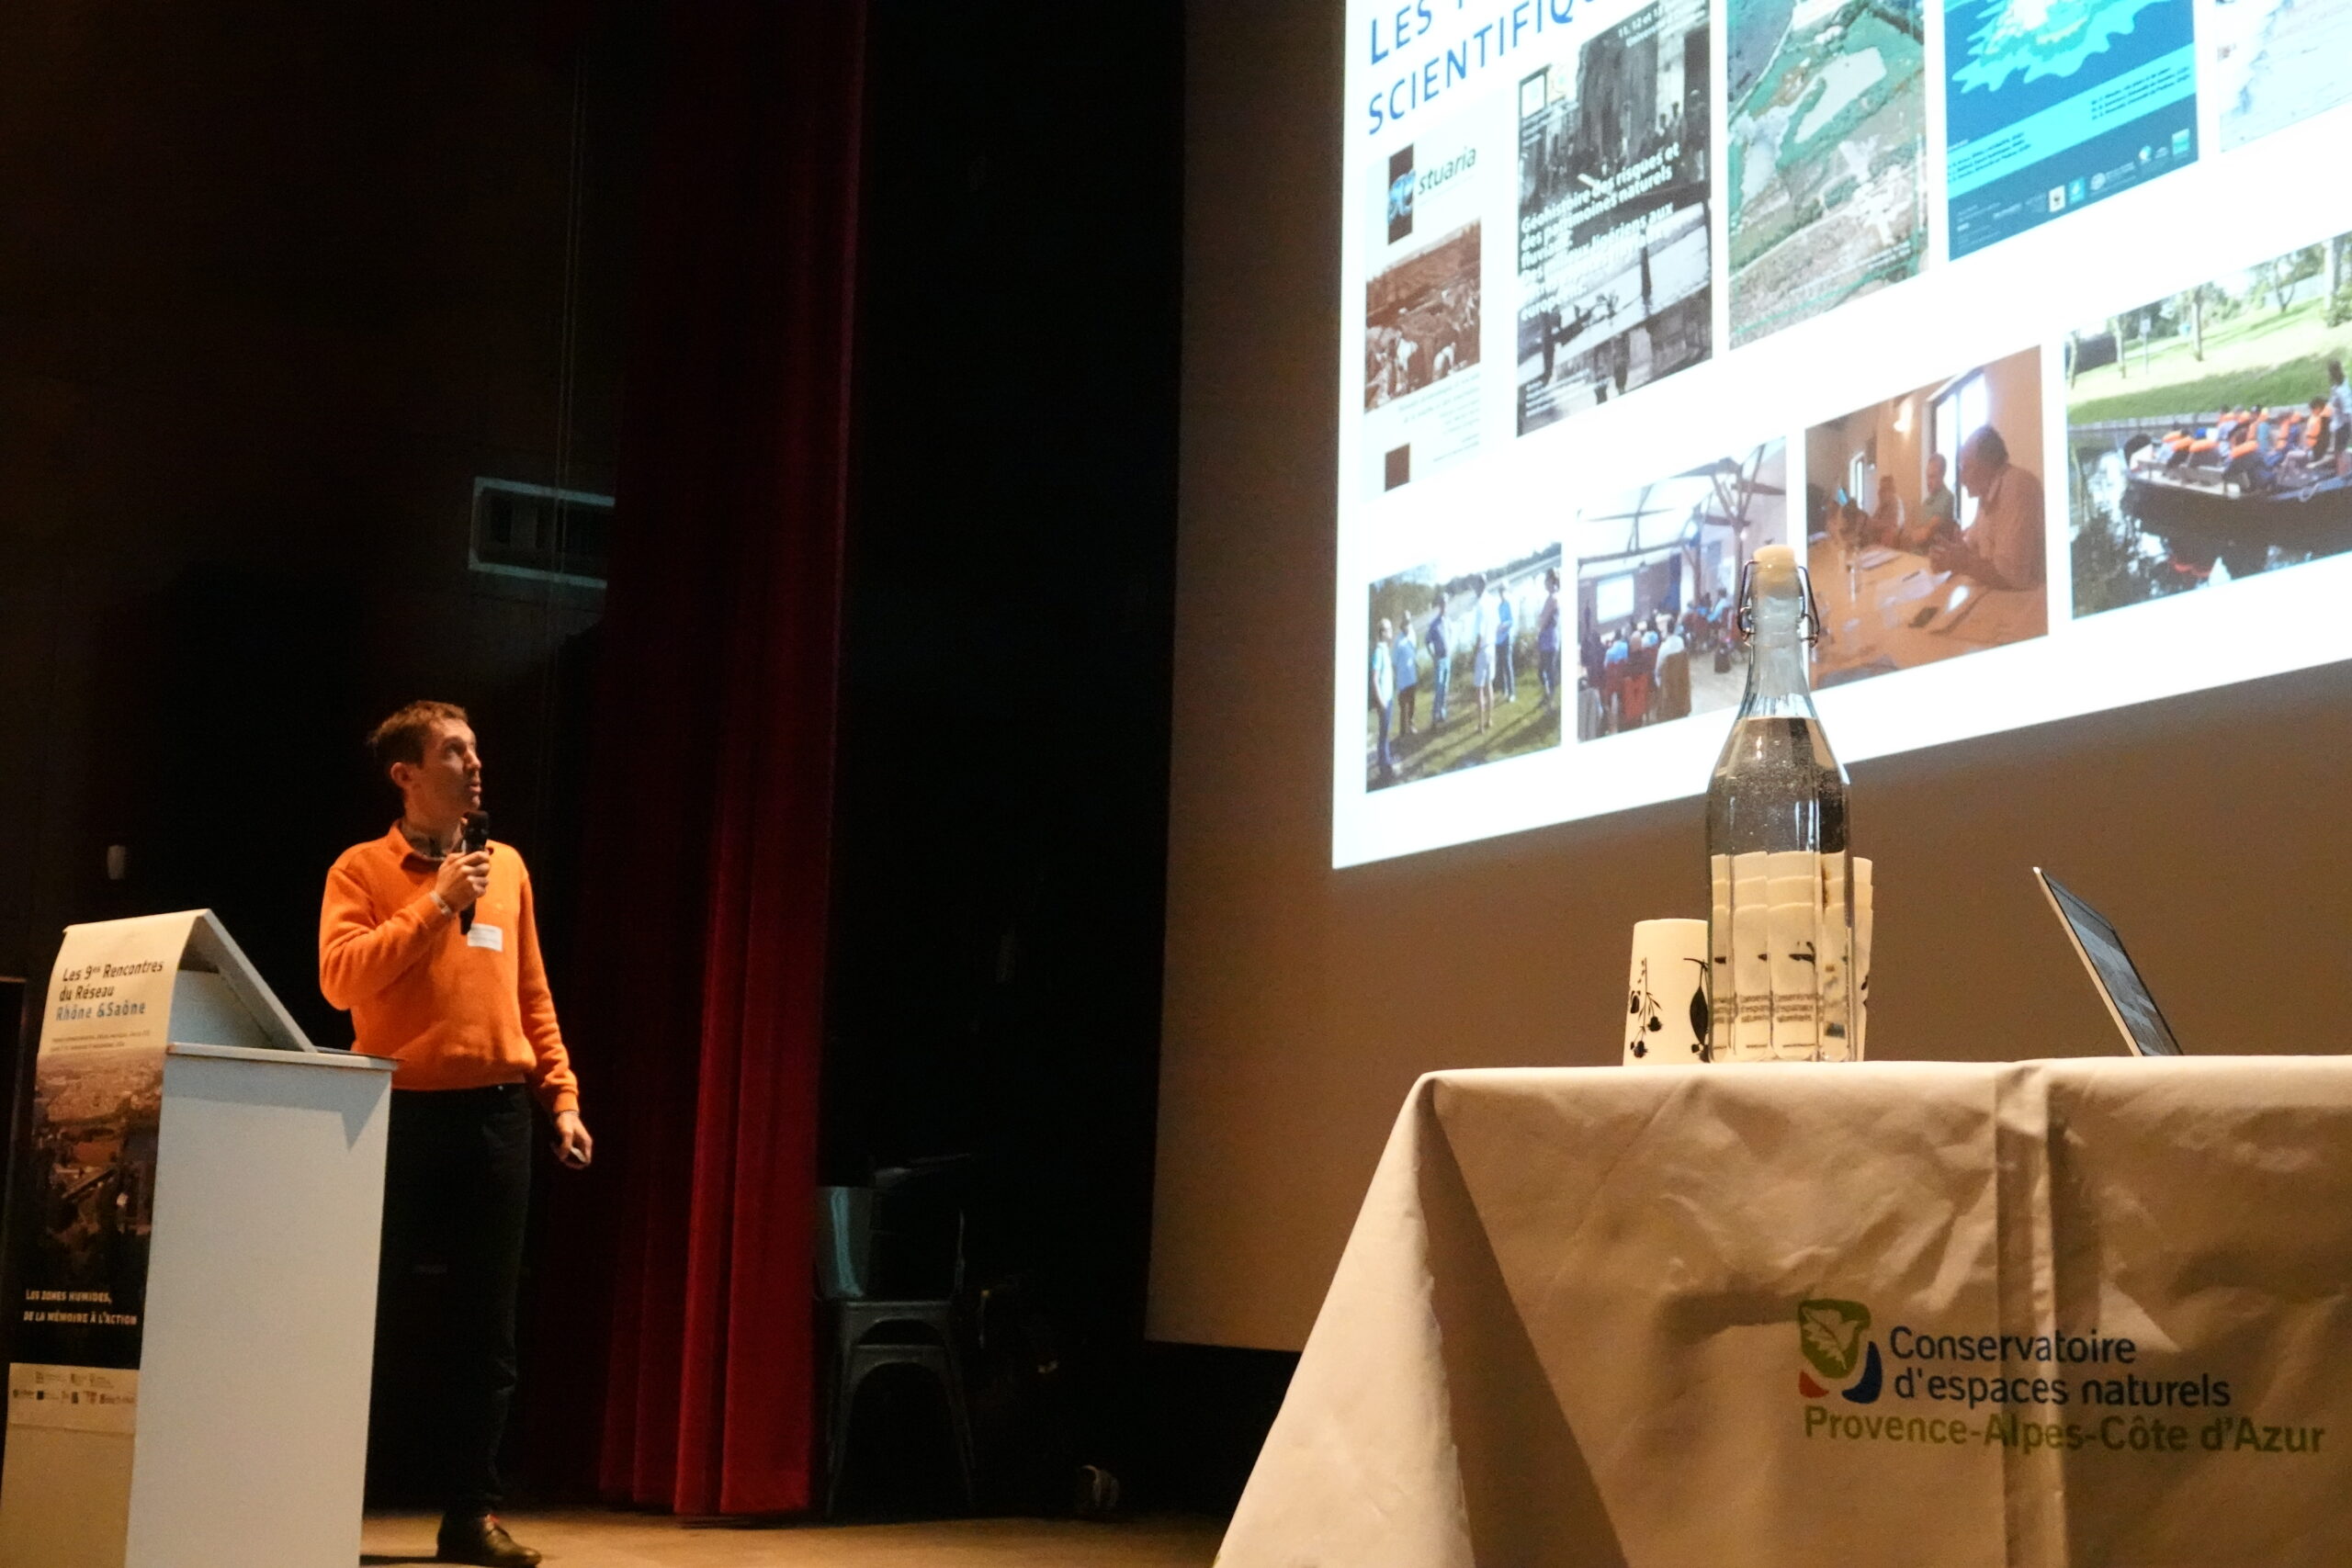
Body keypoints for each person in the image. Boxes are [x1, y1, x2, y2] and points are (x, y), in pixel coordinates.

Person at [322, 703, 590, 1568]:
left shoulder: (505, 867)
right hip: (394, 1114)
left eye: (475, 749)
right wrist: (438, 901)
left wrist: (561, 1097)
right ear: (406, 774)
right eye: (454, 751)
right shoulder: (362, 868)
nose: (475, 764)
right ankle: (321, 1503)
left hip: (495, 1117)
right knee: (365, 1316)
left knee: (487, 1331)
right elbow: (340, 980)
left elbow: (531, 992)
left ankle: (471, 1515)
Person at [1931, 425, 2045, 591]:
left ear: (1988, 465)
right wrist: (1948, 556)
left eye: (1966, 468)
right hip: (2002, 595)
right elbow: (1970, 546)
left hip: (2030, 599)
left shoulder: (2018, 486)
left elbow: (2012, 576)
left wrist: (1962, 562)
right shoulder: (1986, 495)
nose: (1961, 479)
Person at [1473, 585, 1502, 732]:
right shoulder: (1492, 601)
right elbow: (1498, 625)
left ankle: (1480, 725)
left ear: (1479, 587)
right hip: (1492, 646)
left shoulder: (1481, 604)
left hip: (1483, 648)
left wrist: (1475, 651)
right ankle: (1489, 720)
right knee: (1489, 684)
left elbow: (1480, 633)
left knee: (1479, 688)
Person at [1370, 624, 1396, 779]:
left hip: (1389, 698)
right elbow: (1374, 679)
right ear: (1383, 633)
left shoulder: (1386, 649)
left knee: (1386, 732)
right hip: (1384, 700)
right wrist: (1381, 701)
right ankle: (1385, 767)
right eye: (1389, 629)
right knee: (1383, 734)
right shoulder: (1379, 652)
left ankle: (1385, 762)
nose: (1391, 631)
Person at [1535, 570, 1562, 709]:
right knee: (1542, 671)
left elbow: (1543, 620)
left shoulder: (1553, 598)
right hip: (1546, 639)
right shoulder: (1551, 597)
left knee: (1548, 672)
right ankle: (1547, 696)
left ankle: (1551, 703)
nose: (1544, 583)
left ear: (1551, 581)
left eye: (1546, 580)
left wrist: (1537, 633)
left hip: (1549, 640)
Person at [1424, 594, 1452, 727]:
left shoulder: (1448, 621)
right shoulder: (1434, 624)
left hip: (1448, 659)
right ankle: (1434, 719)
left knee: (1445, 688)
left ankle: (1442, 713)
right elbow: (1427, 641)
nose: (1444, 606)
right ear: (1439, 605)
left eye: (1446, 603)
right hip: (1439, 660)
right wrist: (1432, 656)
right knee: (1439, 689)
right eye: (1442, 604)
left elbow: (1450, 636)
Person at [1656, 621, 1690, 721]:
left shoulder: (1663, 647)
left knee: (1656, 676)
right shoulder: (1681, 642)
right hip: (1680, 677)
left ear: (1667, 630)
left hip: (1668, 681)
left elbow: (1658, 668)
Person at [1391, 616, 1419, 738]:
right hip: (1403, 679)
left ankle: (1411, 725)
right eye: (1405, 624)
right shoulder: (1398, 642)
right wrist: (1396, 677)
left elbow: (1414, 652)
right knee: (1403, 705)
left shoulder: (1413, 635)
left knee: (1412, 703)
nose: (1407, 626)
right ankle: (1403, 731)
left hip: (1412, 677)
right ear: (1401, 627)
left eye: (1408, 623)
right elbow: (1394, 663)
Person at [1494, 584, 1518, 703]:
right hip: (1498, 639)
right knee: (1500, 665)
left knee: (1508, 665)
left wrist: (1503, 626)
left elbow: (1511, 621)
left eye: (1503, 591)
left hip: (1507, 638)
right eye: (1500, 592)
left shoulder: (1509, 604)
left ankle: (1512, 693)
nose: (1501, 594)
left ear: (1506, 591)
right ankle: (1504, 690)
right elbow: (1497, 621)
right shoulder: (1499, 606)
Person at [2329, 359, 2350, 479]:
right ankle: (2342, 474)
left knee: (2340, 452)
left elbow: (2348, 410)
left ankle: (2343, 476)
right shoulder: (2340, 385)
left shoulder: (2340, 390)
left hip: (2342, 425)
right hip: (2339, 424)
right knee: (2339, 451)